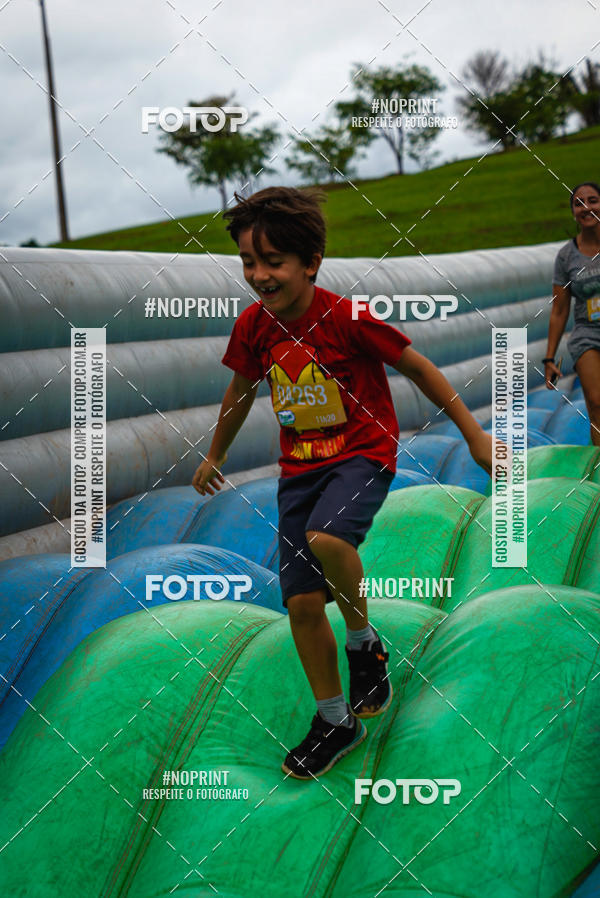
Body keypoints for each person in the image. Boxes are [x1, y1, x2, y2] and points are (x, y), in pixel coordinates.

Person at [192, 186, 493, 780]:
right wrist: (213, 454)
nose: (258, 275)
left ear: (311, 263)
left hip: (363, 453)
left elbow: (418, 367)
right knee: (301, 604)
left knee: (329, 539)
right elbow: (240, 391)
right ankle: (335, 719)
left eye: (272, 261)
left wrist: (474, 436)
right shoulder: (254, 327)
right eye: (249, 263)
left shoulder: (347, 318)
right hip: (299, 469)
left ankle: (363, 642)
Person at [545, 182, 600, 446]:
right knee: (597, 402)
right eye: (579, 203)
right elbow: (559, 310)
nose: (587, 208)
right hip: (587, 335)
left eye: (593, 200)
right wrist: (549, 358)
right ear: (573, 213)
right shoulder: (567, 257)